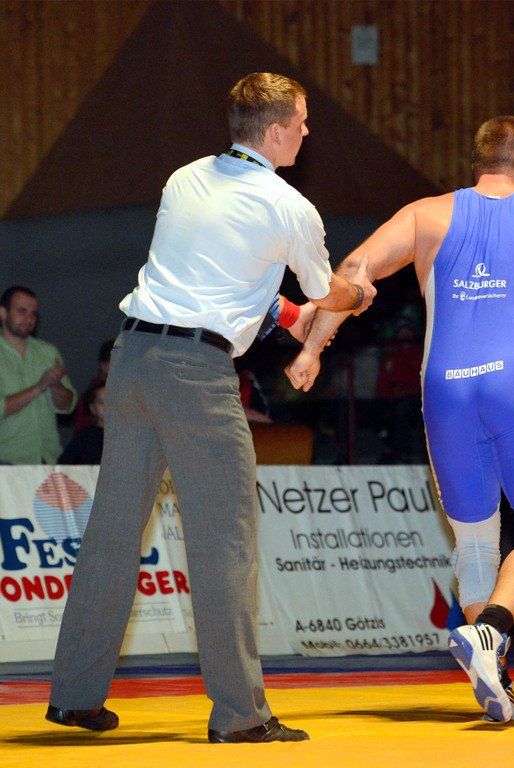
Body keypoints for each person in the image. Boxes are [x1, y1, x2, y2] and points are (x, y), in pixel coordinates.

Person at [284, 115, 514, 722]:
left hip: (444, 389)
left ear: (479, 164)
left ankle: (494, 673)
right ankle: (492, 629)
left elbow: (352, 272)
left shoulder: (425, 214)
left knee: (477, 544)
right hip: (512, 382)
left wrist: (312, 348)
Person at [46, 72, 375, 743]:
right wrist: (359, 293)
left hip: (133, 360)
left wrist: (293, 318)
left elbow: (230, 283)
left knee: (113, 531)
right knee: (225, 538)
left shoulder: (186, 179)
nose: (307, 131)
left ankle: (76, 695)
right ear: (276, 131)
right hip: (195, 375)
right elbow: (328, 293)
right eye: (302, 121)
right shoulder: (288, 206)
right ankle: (241, 713)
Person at [0, 285, 77, 464]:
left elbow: (68, 406)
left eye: (34, 313)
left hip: (48, 459)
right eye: (22, 311)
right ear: (2, 313)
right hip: (7, 462)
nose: (29, 318)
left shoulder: (48, 352)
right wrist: (39, 387)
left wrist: (56, 386)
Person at [58, 382, 106, 465]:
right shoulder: (85, 436)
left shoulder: (127, 436)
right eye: (101, 402)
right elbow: (64, 464)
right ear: (92, 408)